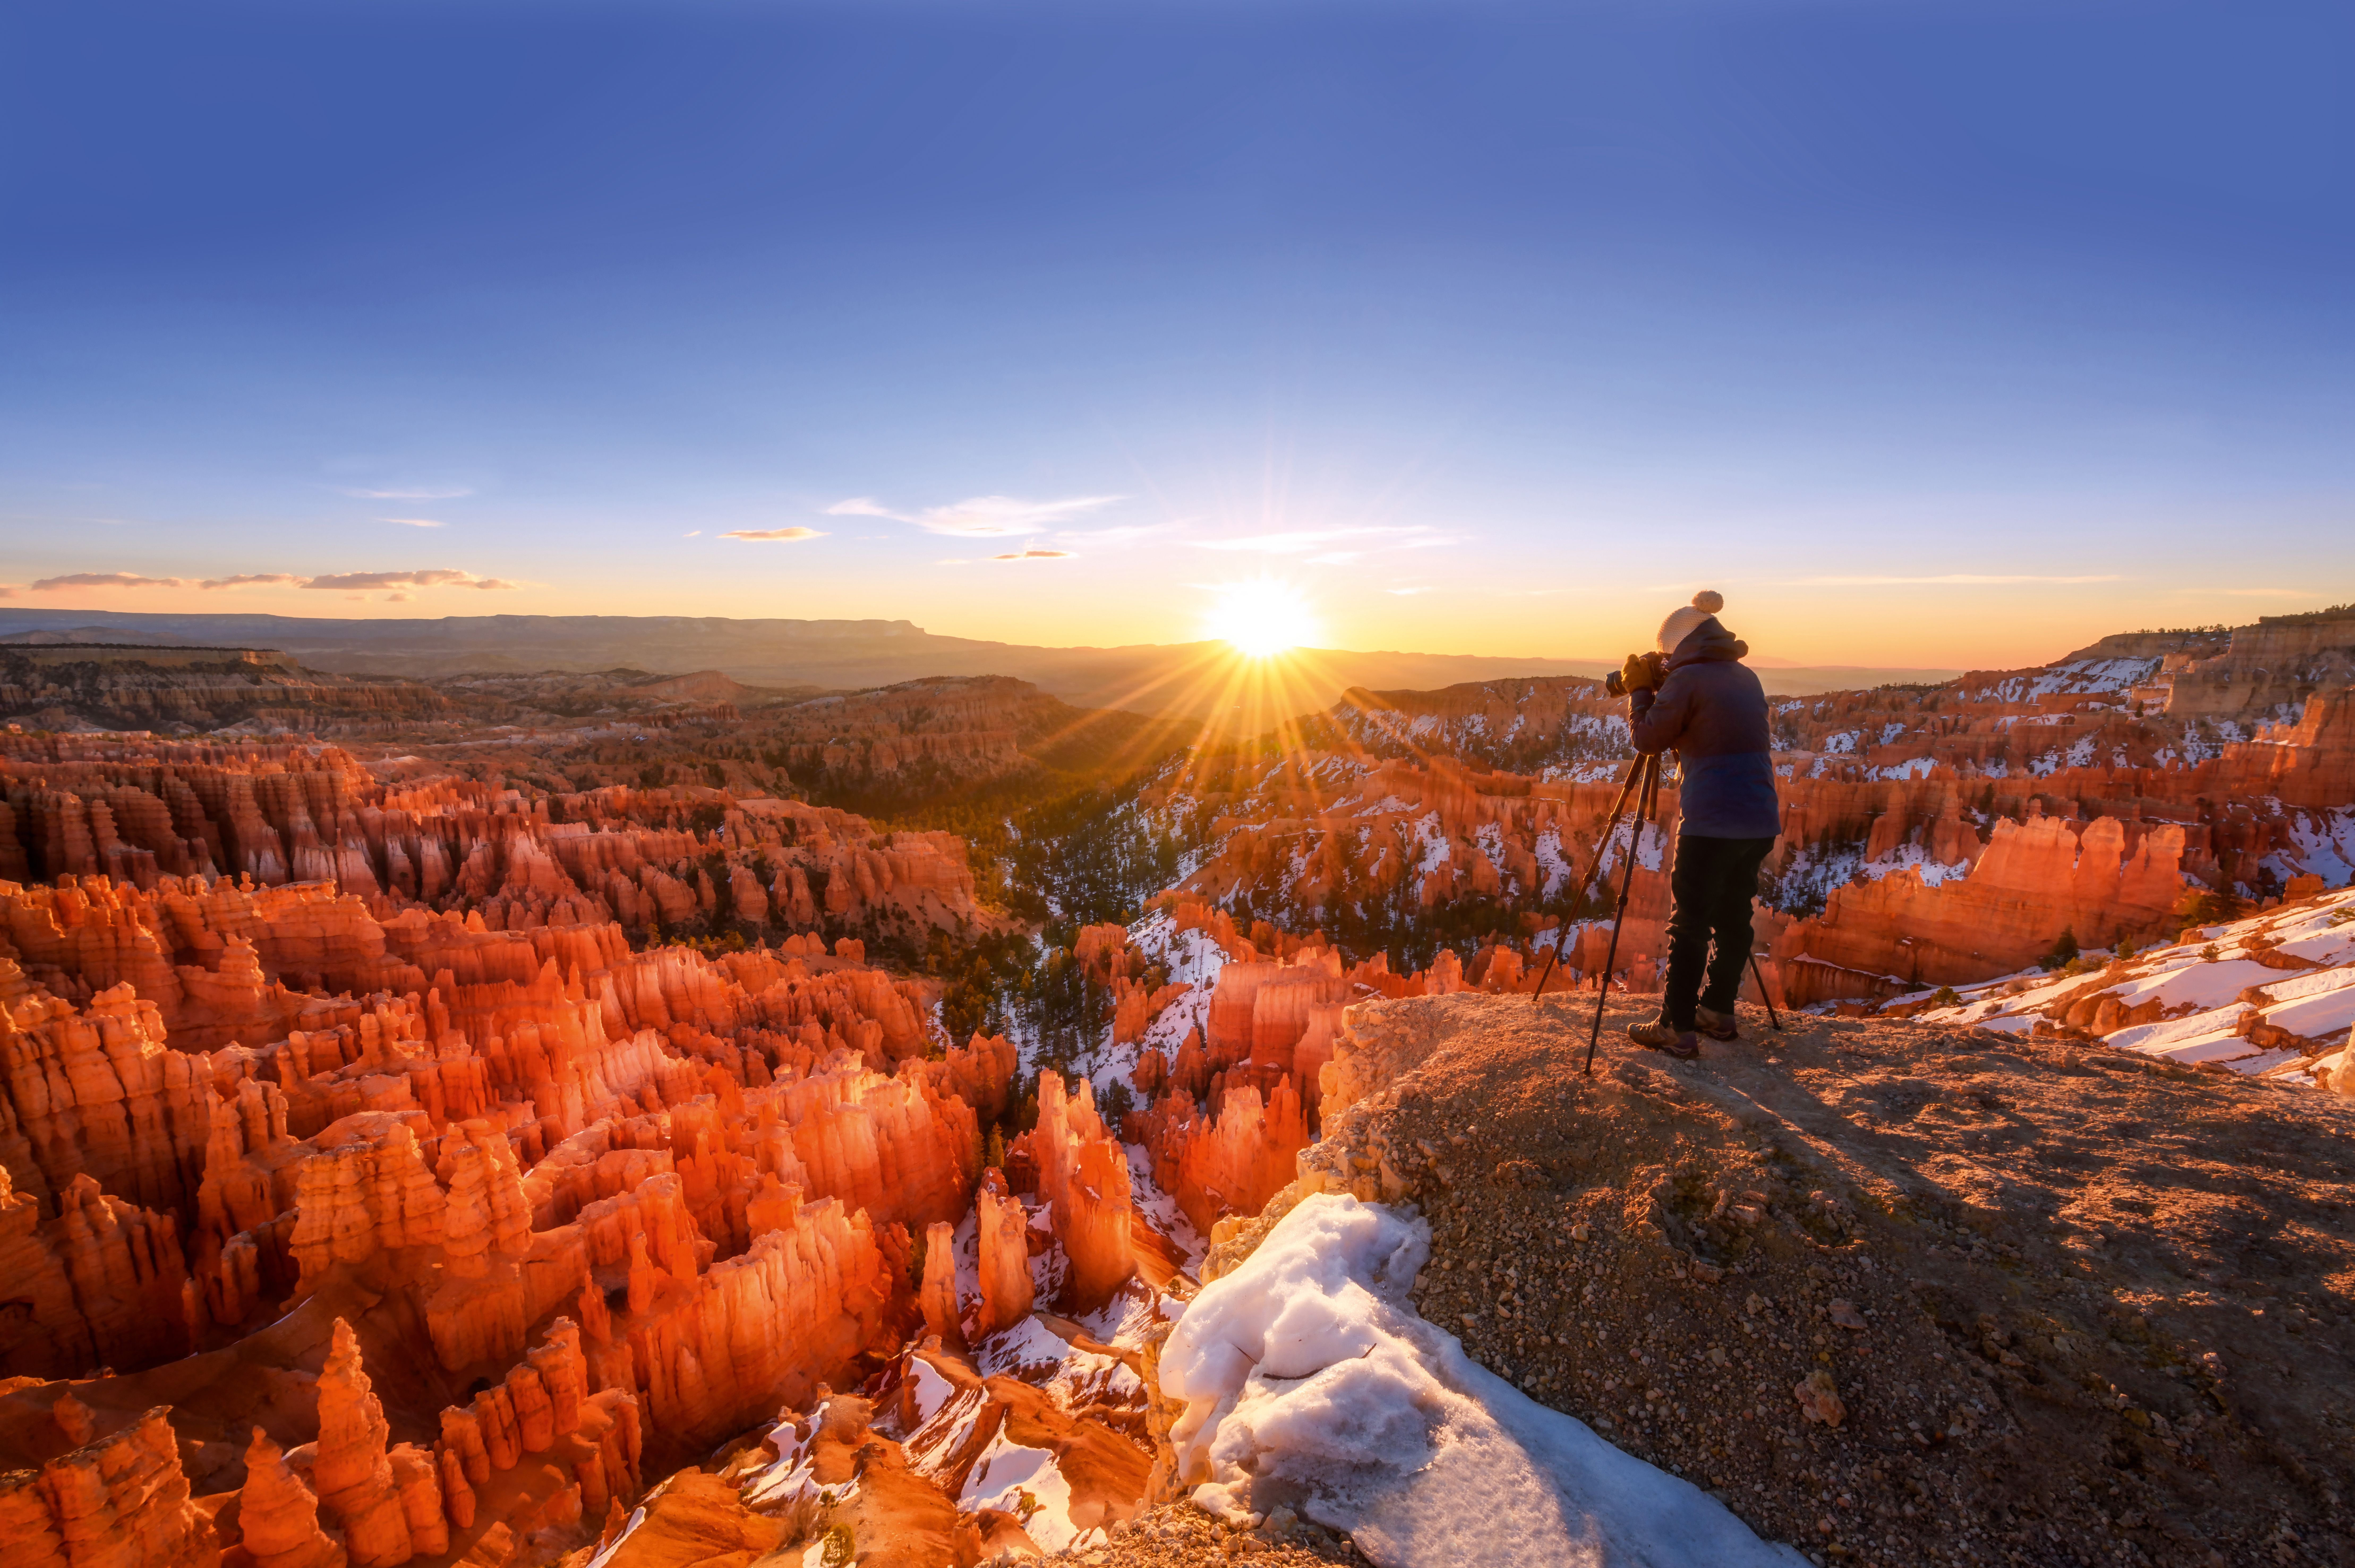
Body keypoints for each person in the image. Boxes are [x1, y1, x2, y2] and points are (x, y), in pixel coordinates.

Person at [1617, 590, 1781, 1059]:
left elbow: (1647, 739)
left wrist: (1640, 691)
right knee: (1733, 919)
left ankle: (1676, 1026)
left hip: (1711, 820)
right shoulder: (1745, 676)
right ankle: (1717, 1011)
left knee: (1688, 924)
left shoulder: (1687, 680)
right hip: (1758, 818)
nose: (1667, 661)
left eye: (1669, 654)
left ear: (1681, 647)